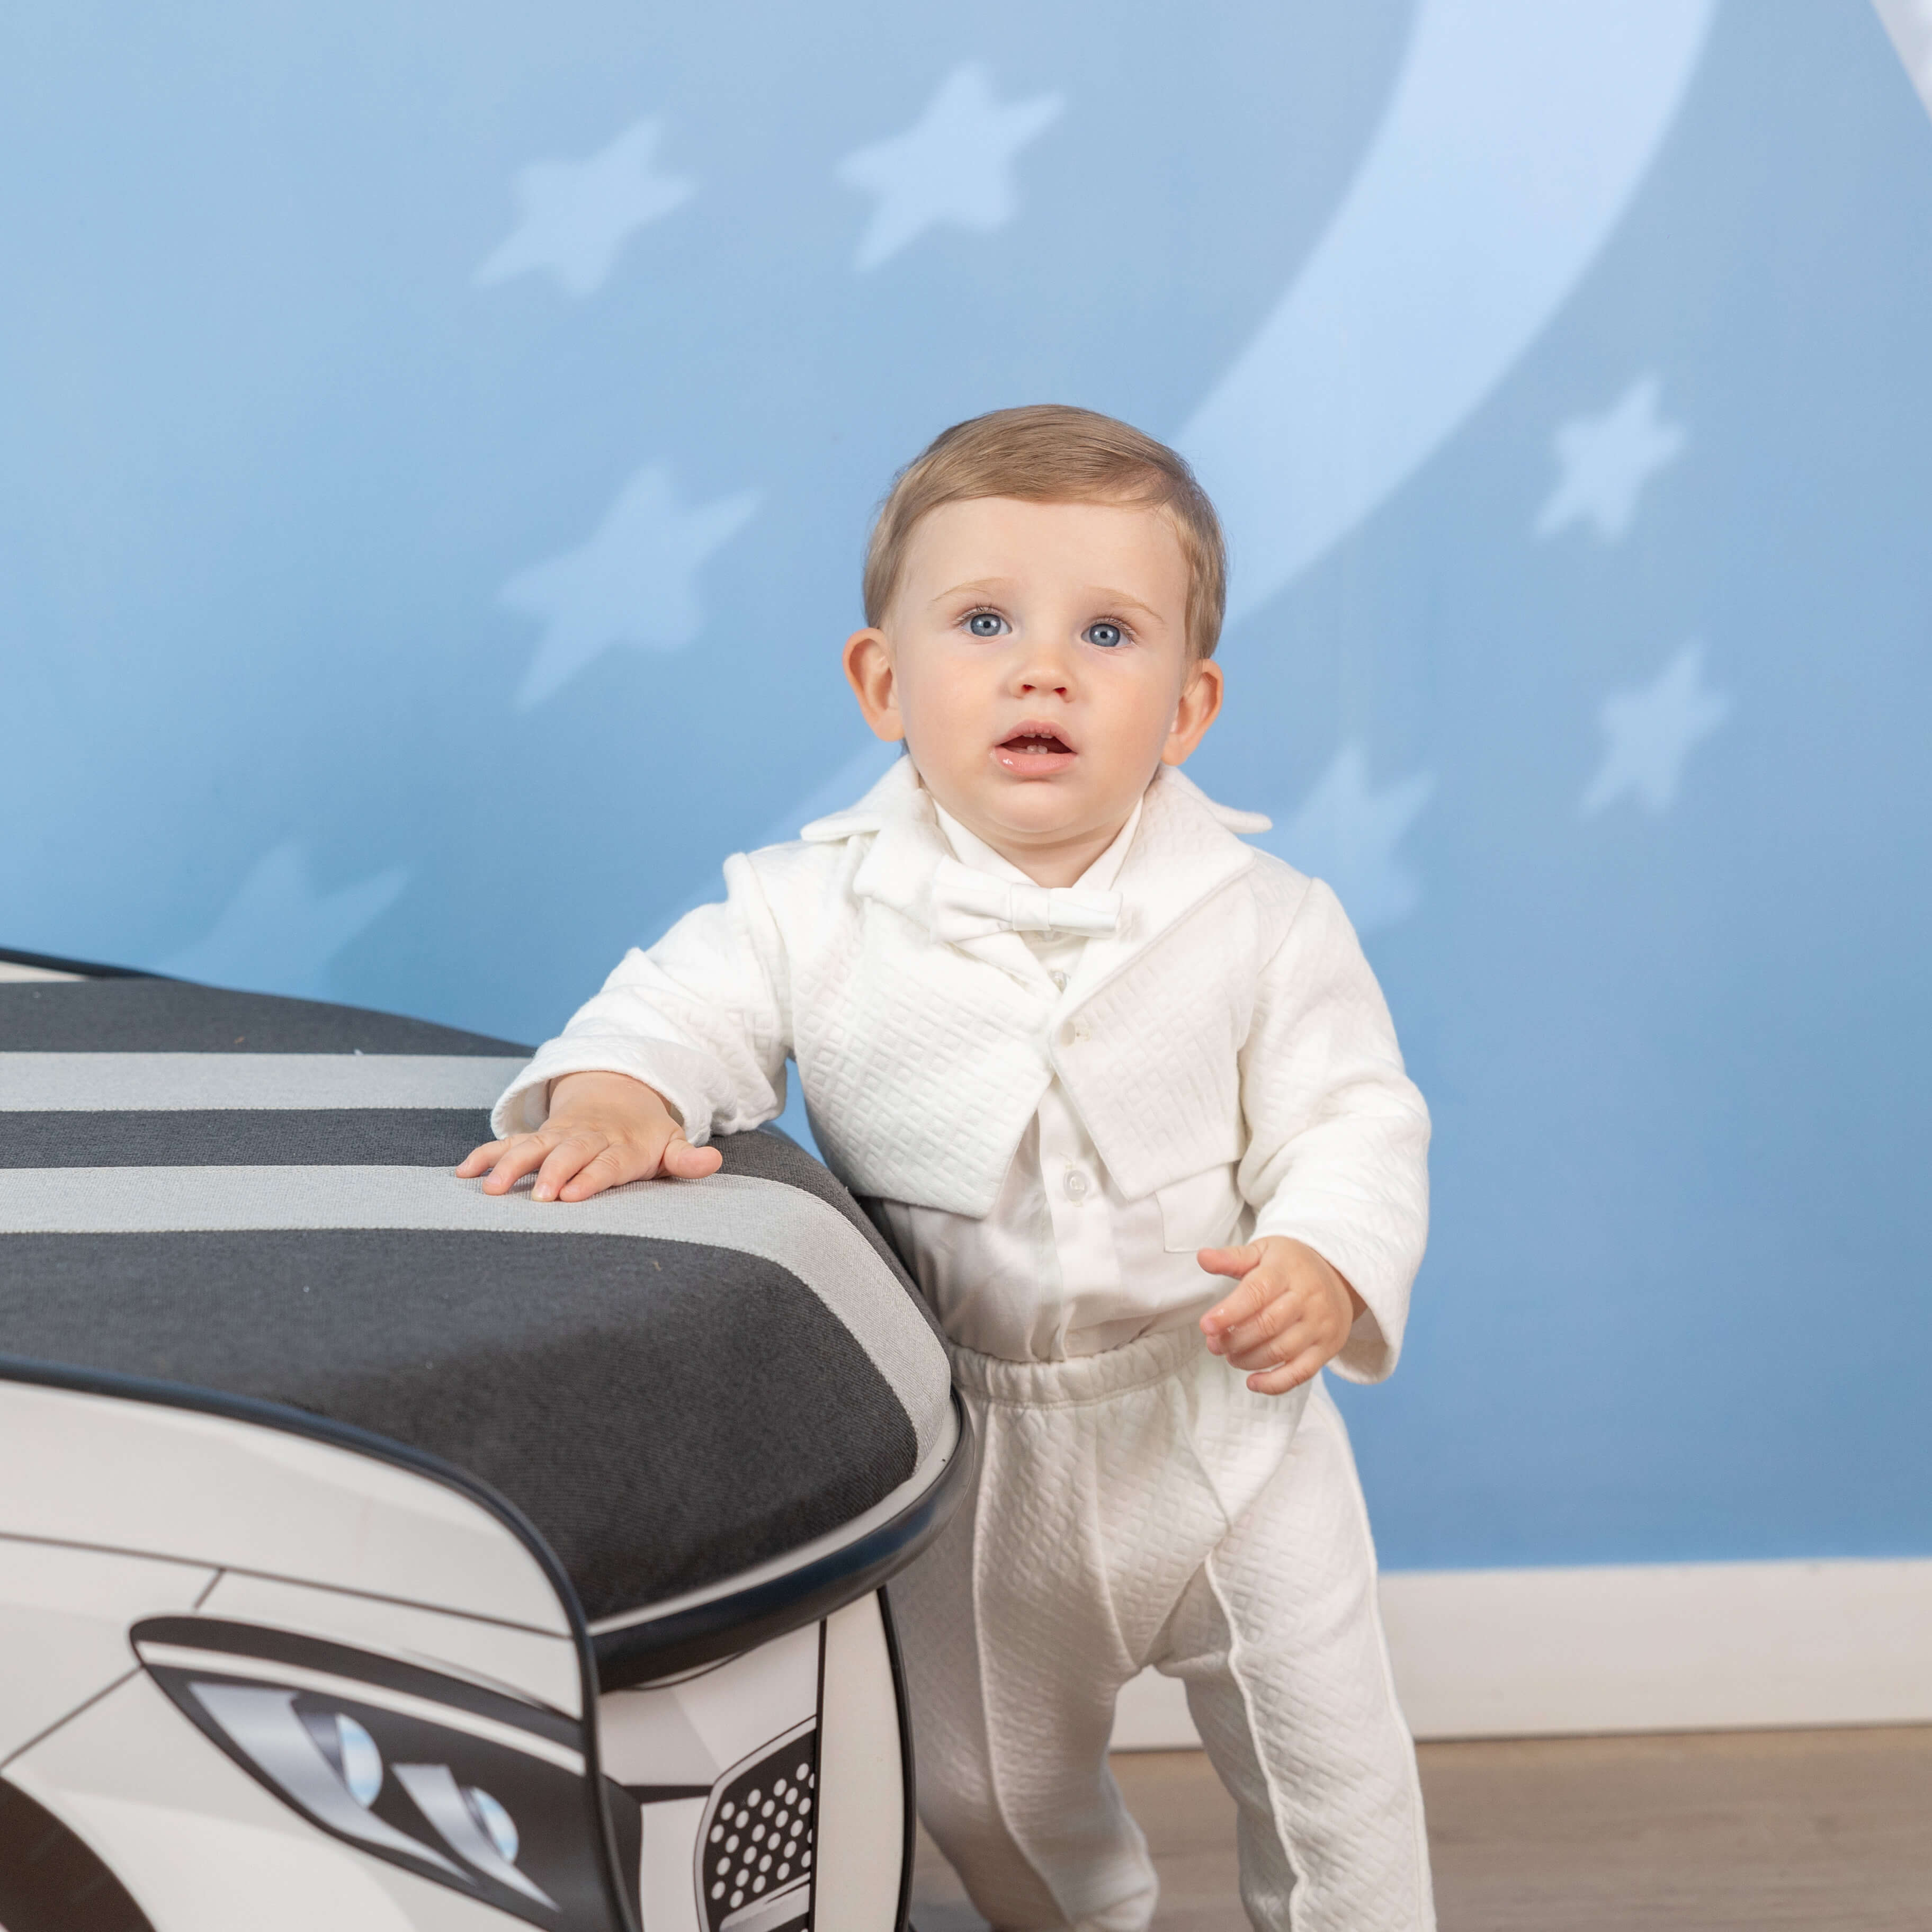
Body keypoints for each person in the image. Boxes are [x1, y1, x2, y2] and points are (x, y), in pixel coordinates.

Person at [461, 405, 1434, 1931]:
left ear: (1186, 709)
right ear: (882, 681)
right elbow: (679, 1005)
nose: (1042, 668)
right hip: (974, 1439)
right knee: (986, 1789)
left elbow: (1356, 1117)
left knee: (1337, 1777)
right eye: (984, 621)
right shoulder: (809, 905)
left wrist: (1323, 1253)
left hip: (1220, 1418)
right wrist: (614, 1091)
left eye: (1109, 633)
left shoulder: (1265, 917)